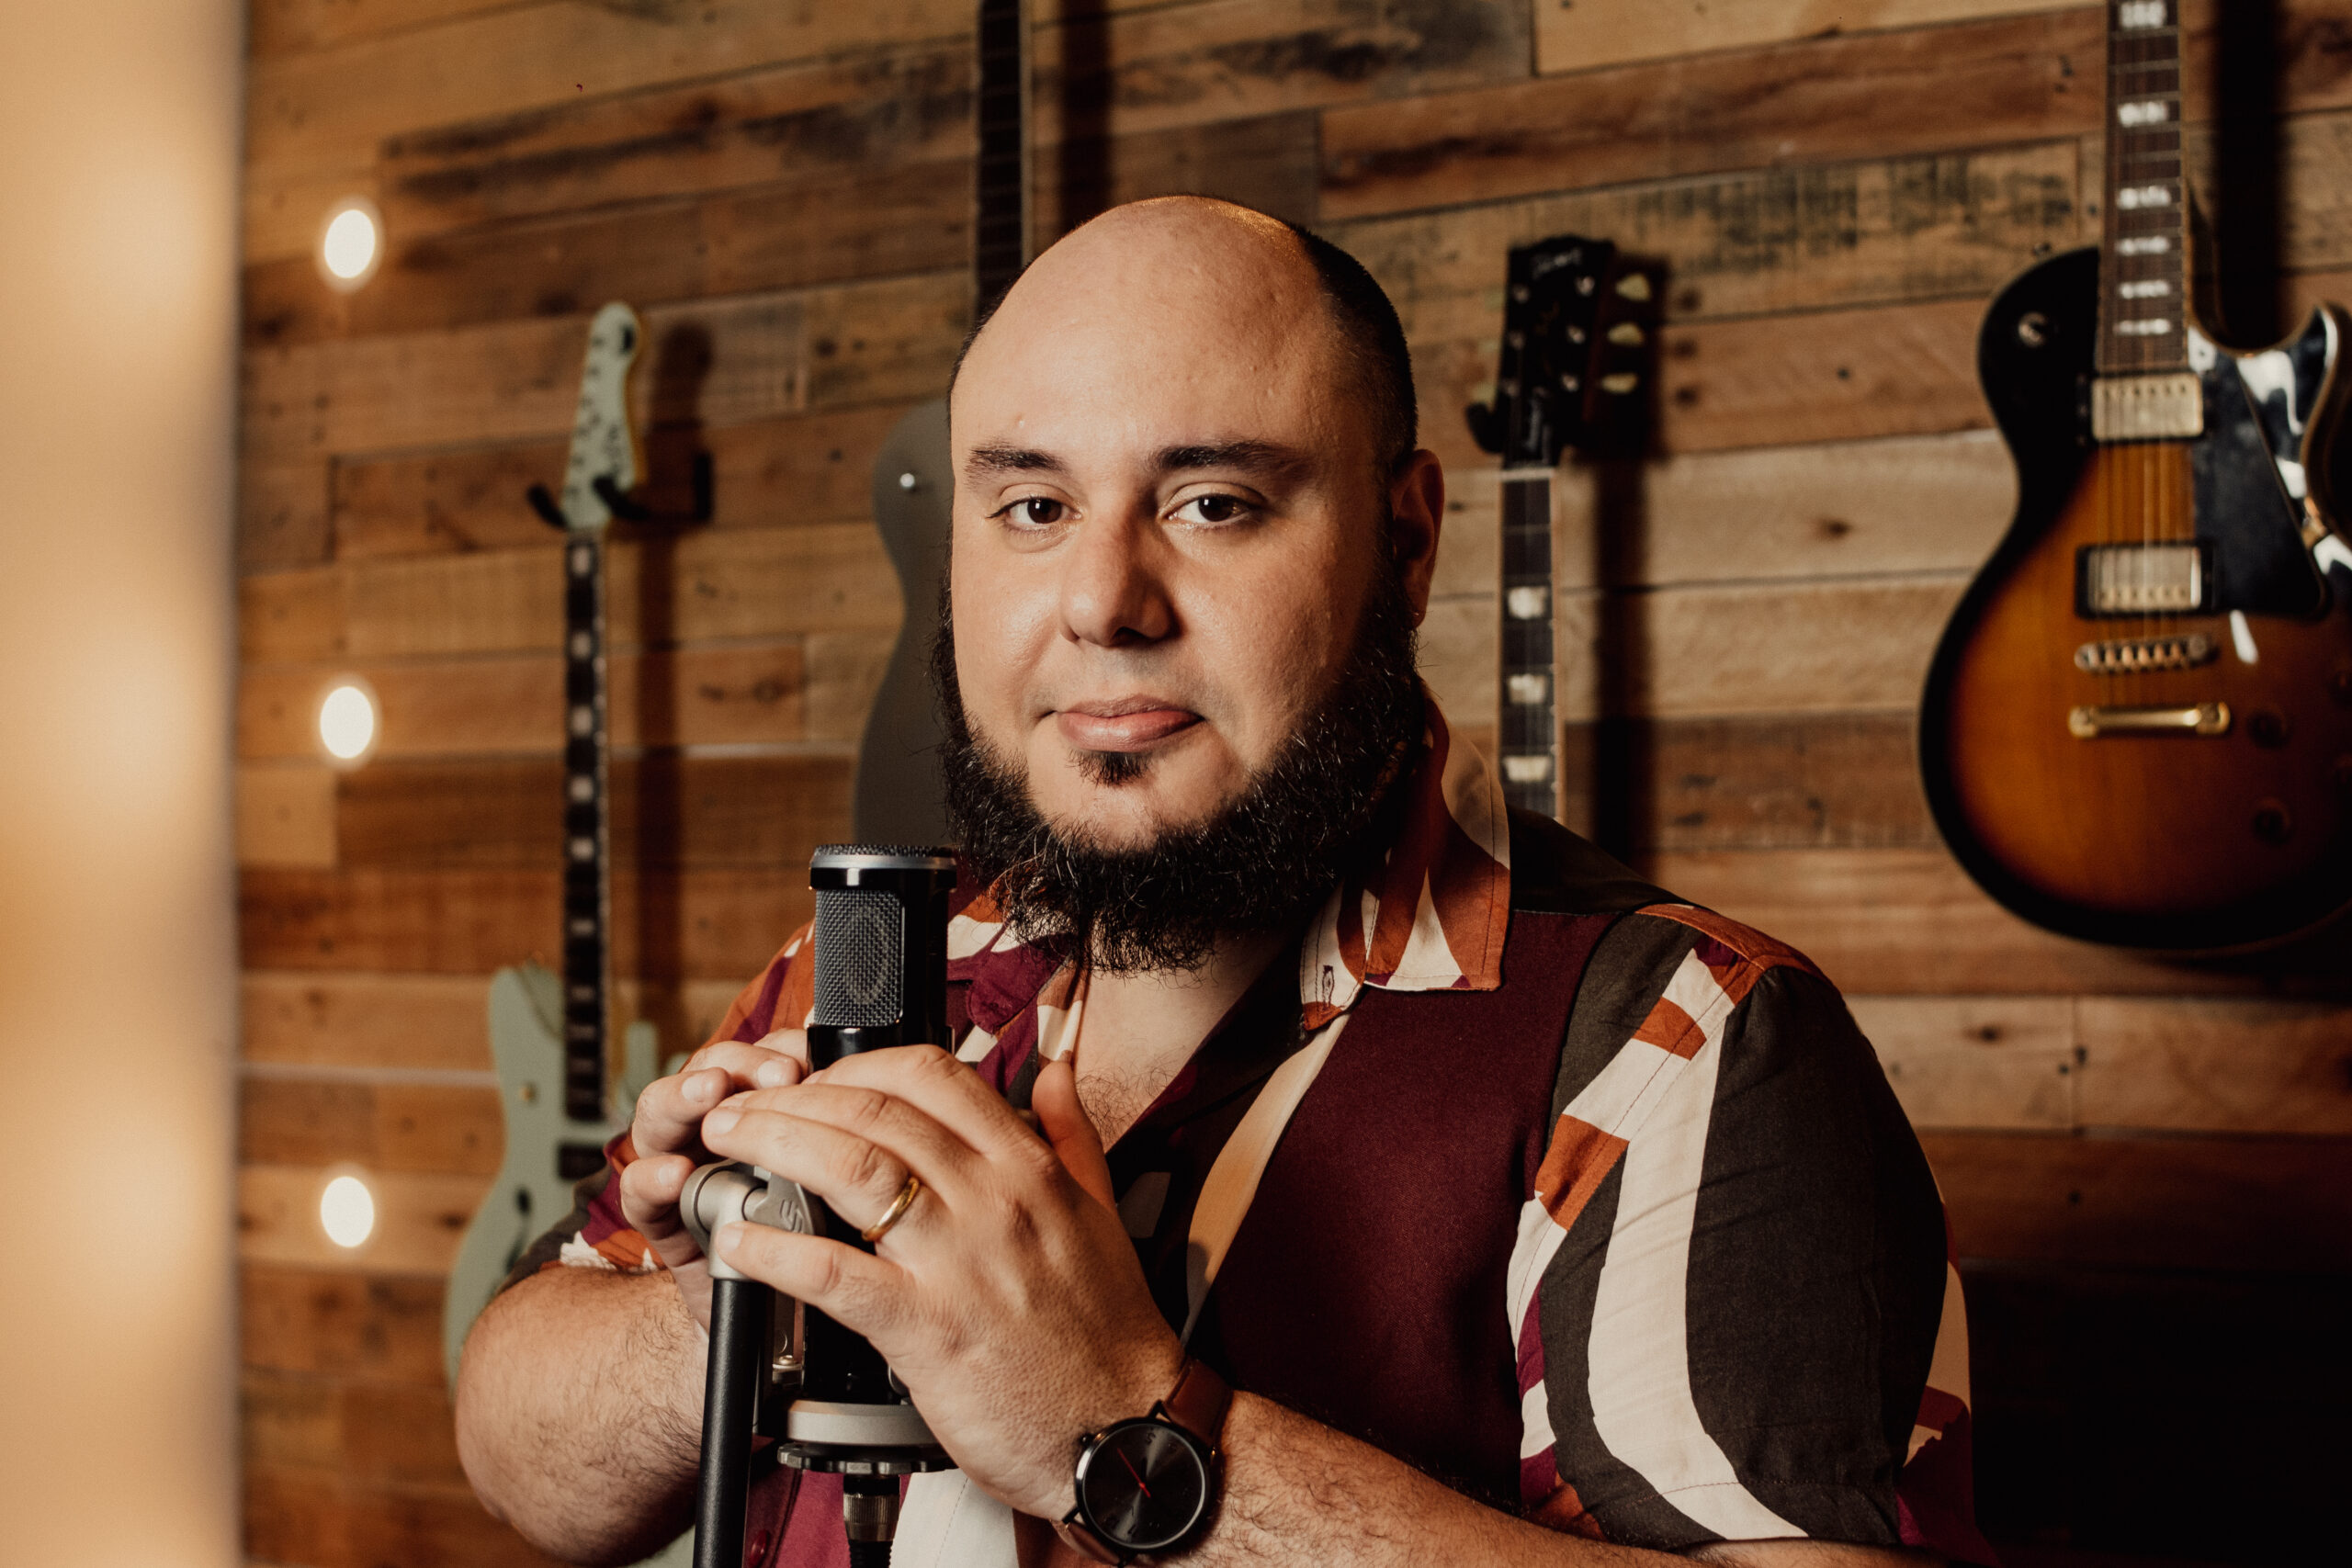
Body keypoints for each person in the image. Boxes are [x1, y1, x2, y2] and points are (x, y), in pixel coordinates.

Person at [454, 197, 1992, 1568]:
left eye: (1212, 504)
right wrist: (754, 1304)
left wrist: (1126, 1432)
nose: (1102, 602)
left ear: (1406, 542)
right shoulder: (891, 960)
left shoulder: (1683, 1042)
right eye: (1034, 507)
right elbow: (519, 1454)